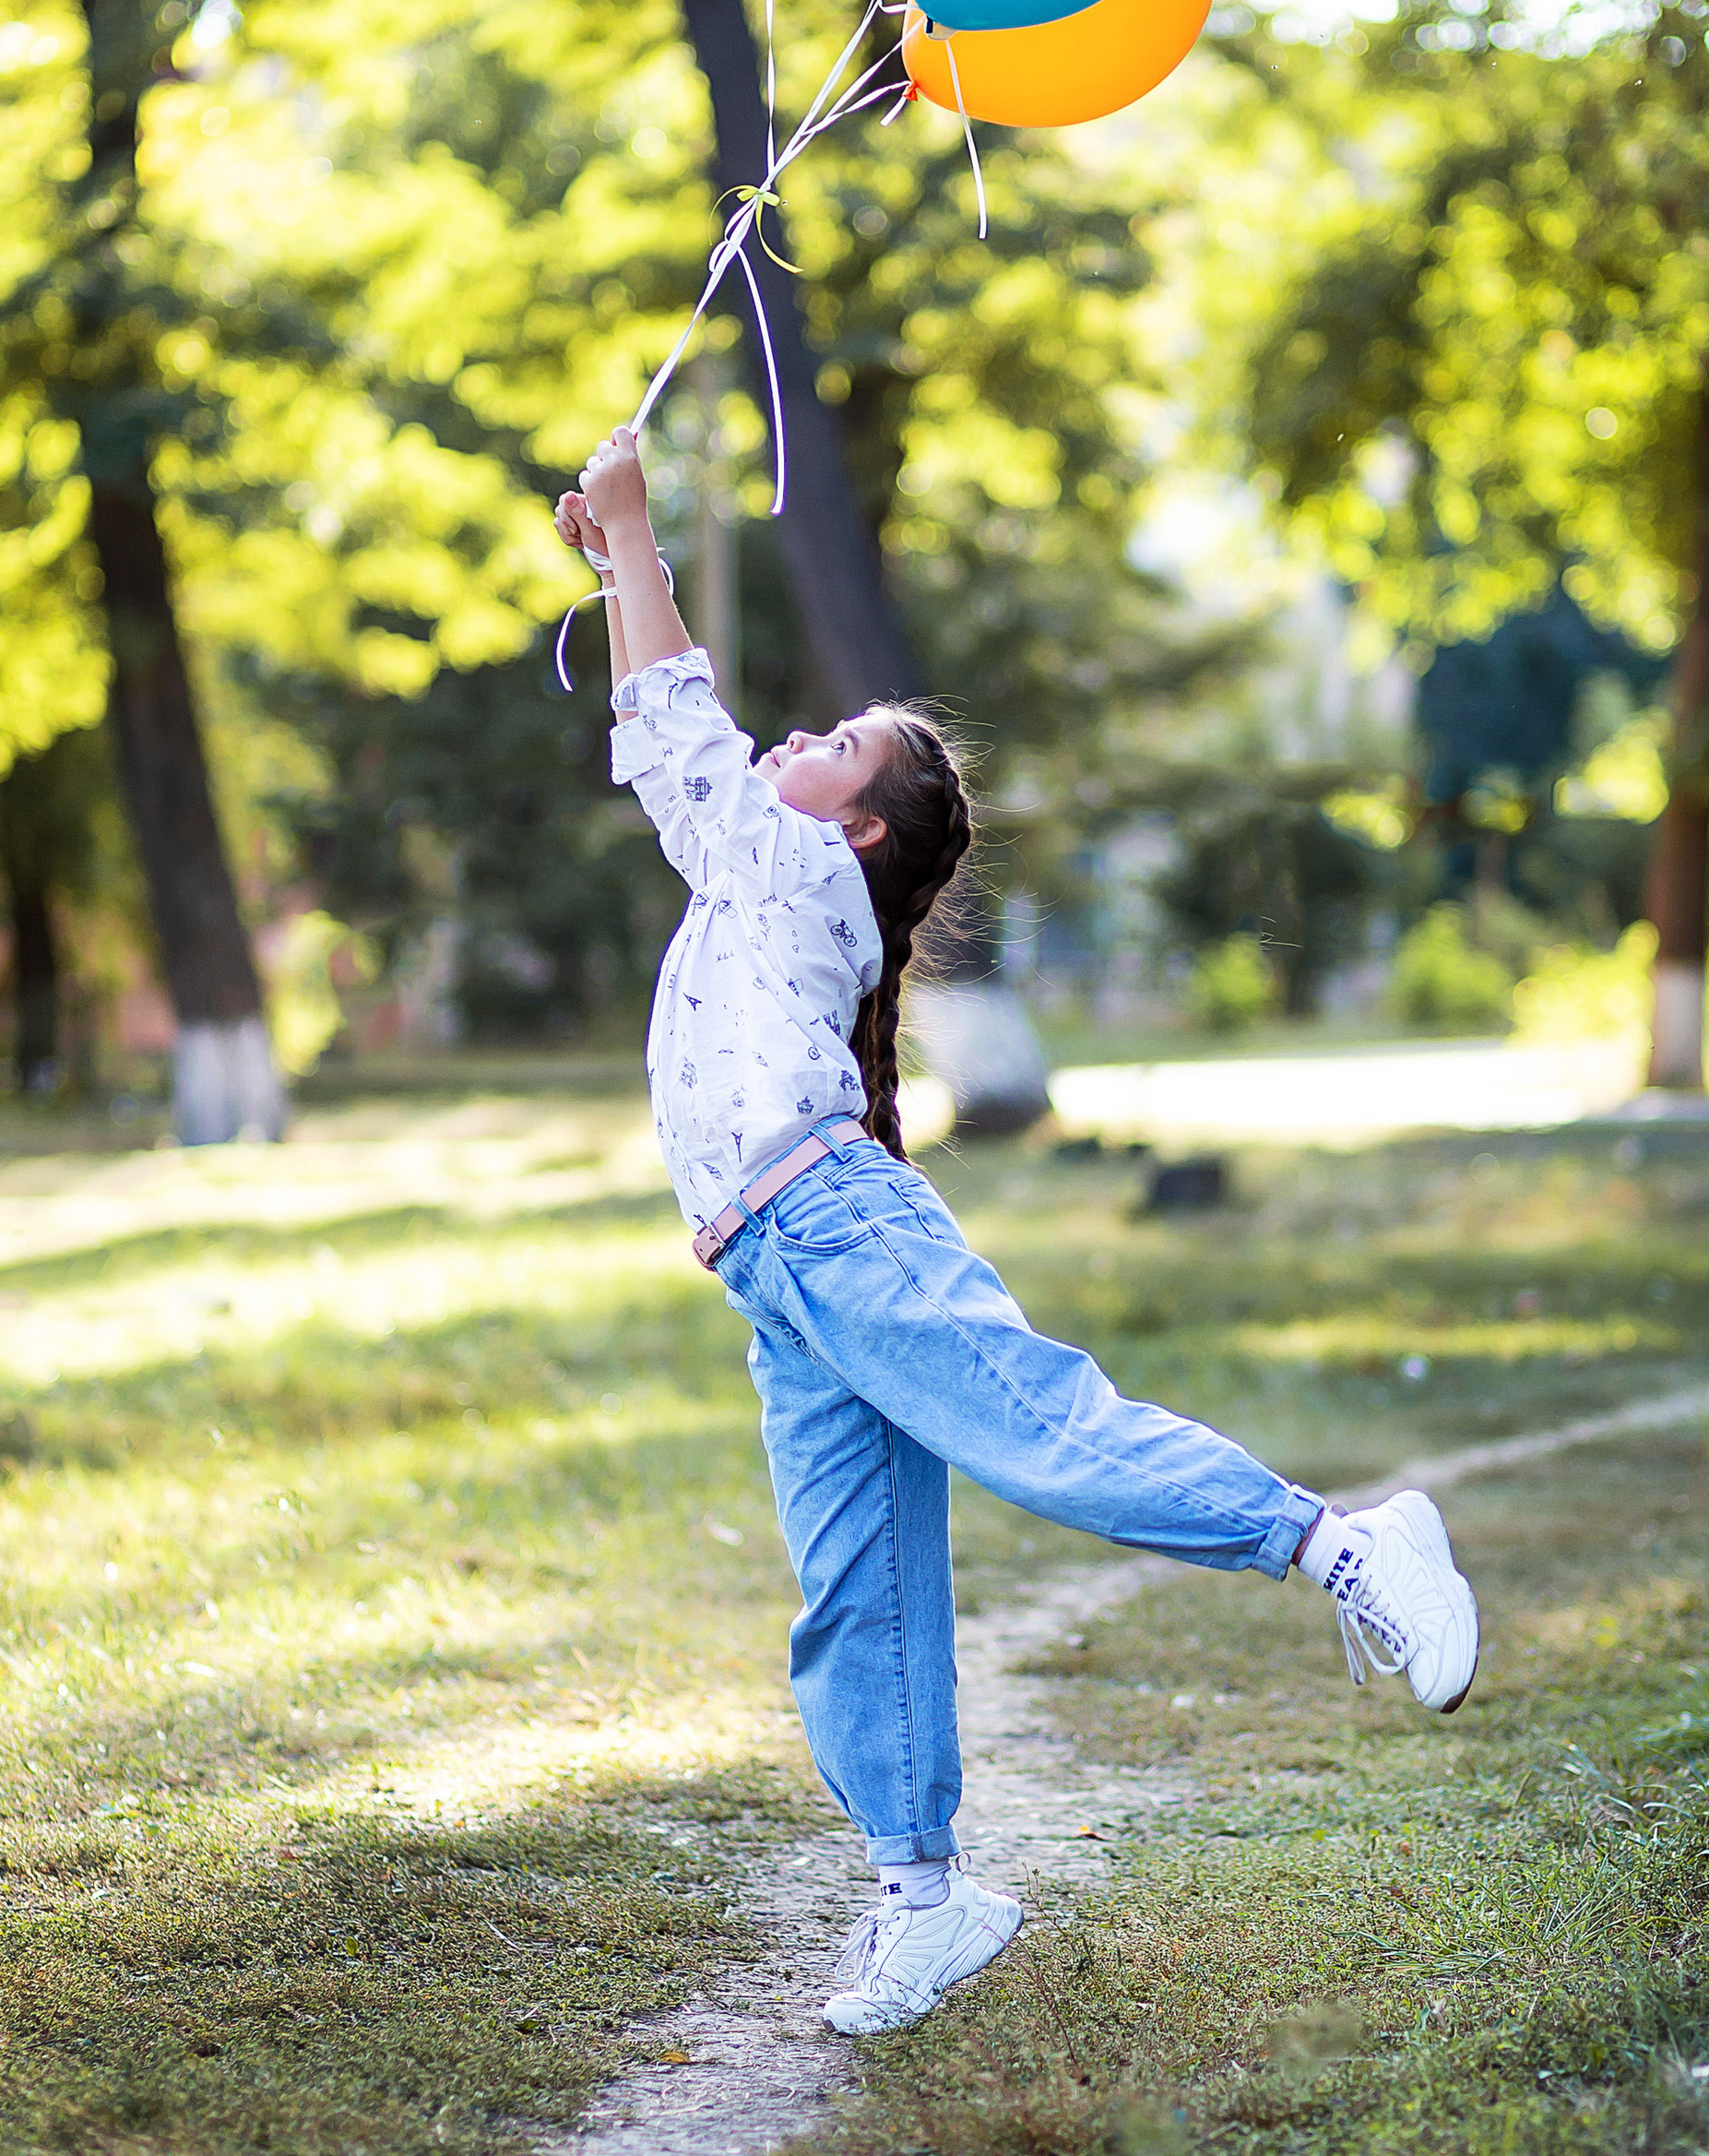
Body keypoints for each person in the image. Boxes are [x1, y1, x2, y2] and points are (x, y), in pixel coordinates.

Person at [559, 427, 1479, 2040]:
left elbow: (677, 747)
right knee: (859, 1585)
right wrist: (621, 566)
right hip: (784, 1272)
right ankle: (930, 1898)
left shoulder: (797, 881)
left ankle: (1346, 1545)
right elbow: (680, 738)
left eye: (835, 740)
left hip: (836, 1233)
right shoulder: (765, 880)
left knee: (1046, 1440)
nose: (799, 735)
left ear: (856, 835)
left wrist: (635, 545)